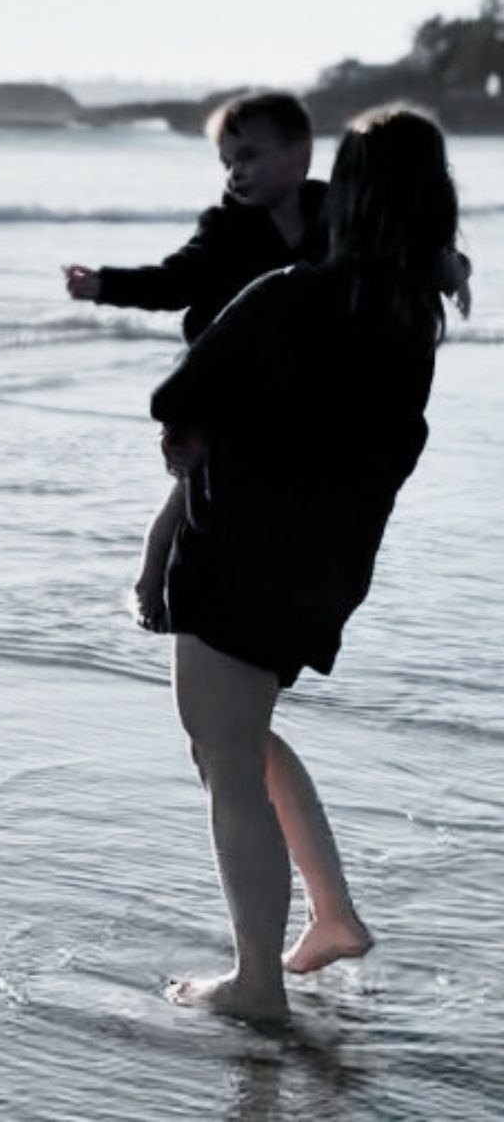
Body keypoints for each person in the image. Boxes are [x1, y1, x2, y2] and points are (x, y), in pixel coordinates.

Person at [148, 104, 468, 1025]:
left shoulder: (292, 295)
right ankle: (332, 916)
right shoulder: (412, 314)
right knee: (243, 736)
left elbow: (176, 394)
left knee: (224, 754)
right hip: (325, 570)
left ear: (347, 197)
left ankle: (256, 984)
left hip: (237, 556)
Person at [64, 91, 328, 629]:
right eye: (227, 162)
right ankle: (152, 573)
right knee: (192, 480)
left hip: (292, 387)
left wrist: (449, 265)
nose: (236, 173)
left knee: (253, 491)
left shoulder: (336, 213)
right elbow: (174, 281)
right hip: (220, 382)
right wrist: (105, 285)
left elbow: (396, 247)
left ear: (300, 154)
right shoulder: (225, 228)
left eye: (249, 156)